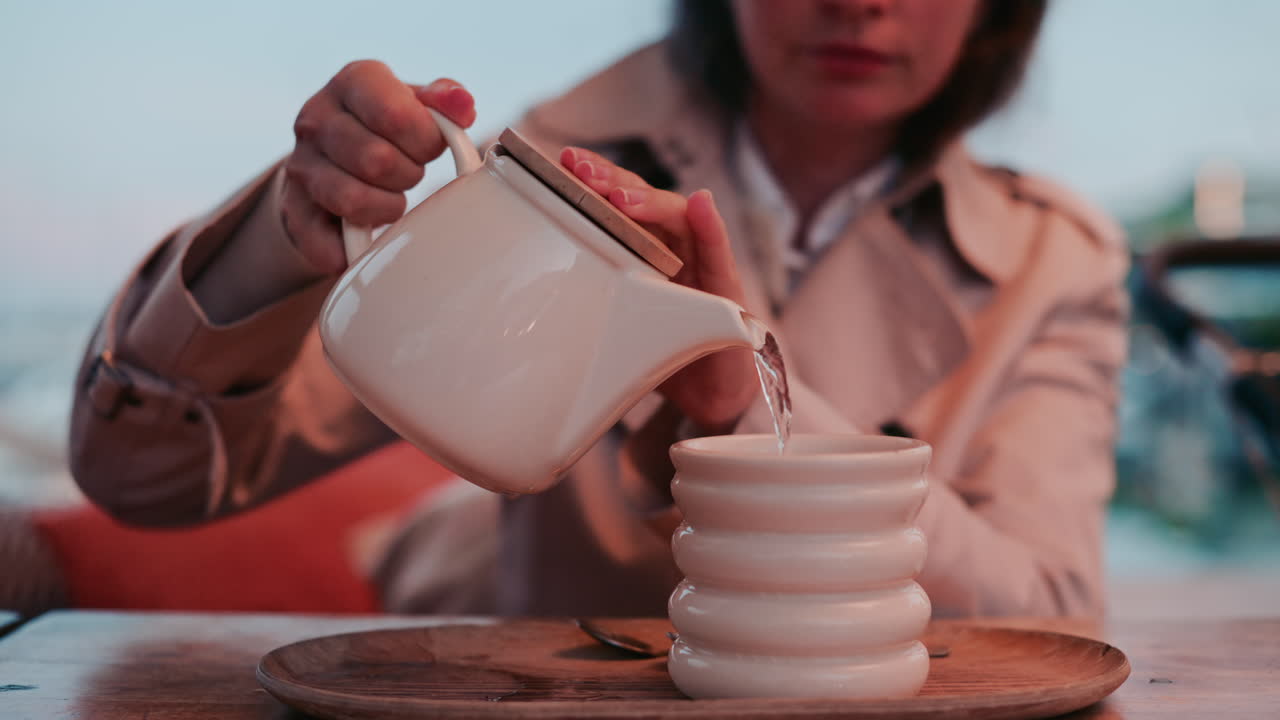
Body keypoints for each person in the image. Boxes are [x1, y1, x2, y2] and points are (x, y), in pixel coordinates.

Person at [69, 0, 1128, 617]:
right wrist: (284, 234)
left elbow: (1048, 620)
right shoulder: (547, 170)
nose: (857, 0)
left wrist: (734, 404)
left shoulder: (1050, 258)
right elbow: (150, 478)